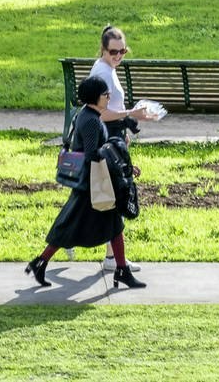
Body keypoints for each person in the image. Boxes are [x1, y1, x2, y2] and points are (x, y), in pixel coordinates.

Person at [26, 76, 146, 290]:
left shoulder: (88, 115)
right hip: (92, 185)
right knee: (71, 227)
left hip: (90, 183)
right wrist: (119, 157)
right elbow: (92, 153)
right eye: (105, 94)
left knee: (112, 225)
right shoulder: (91, 120)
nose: (108, 97)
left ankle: (121, 271)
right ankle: (41, 263)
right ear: (95, 97)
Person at [84, 25, 158, 270]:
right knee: (110, 197)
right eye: (113, 51)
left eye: (122, 51)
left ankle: (108, 256)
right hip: (108, 138)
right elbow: (99, 113)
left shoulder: (107, 69)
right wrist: (132, 114)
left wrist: (125, 127)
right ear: (103, 49)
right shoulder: (103, 73)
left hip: (113, 136)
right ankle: (110, 257)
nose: (118, 56)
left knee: (100, 197)